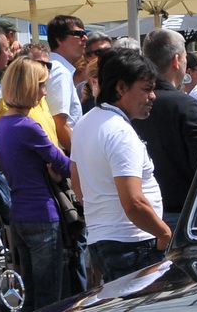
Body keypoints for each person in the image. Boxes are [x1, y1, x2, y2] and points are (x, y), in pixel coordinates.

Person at [71, 49, 171, 285]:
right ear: (121, 88)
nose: (153, 96)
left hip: (107, 241)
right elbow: (134, 203)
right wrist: (164, 234)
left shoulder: (86, 122)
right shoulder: (120, 132)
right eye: (146, 88)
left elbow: (78, 185)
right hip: (132, 243)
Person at [0, 56, 73, 311]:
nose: (44, 92)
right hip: (43, 215)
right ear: (28, 86)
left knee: (29, 296)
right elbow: (63, 165)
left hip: (20, 216)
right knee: (49, 299)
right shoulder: (28, 126)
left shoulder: (3, 123)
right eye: (41, 85)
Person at [134, 30, 197, 228]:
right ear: (177, 60)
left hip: (140, 212)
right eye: (185, 56)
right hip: (182, 212)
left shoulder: (131, 103)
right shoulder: (185, 105)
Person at [45, 14, 89, 152]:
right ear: (59, 39)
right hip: (65, 152)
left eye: (85, 33)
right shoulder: (59, 71)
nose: (85, 37)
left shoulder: (56, 67)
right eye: (78, 34)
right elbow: (59, 122)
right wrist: (82, 159)